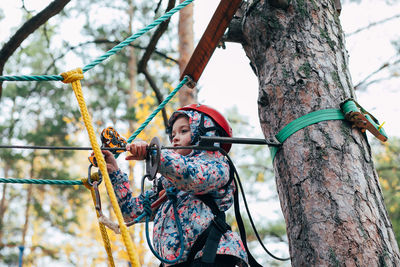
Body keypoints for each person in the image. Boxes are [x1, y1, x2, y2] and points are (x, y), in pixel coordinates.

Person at [102, 104, 248, 267]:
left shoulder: (218, 166)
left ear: (206, 133)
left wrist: (152, 153)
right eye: (173, 135)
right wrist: (114, 173)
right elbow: (131, 212)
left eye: (184, 131)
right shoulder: (168, 185)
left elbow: (190, 176)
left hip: (212, 256)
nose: (175, 139)